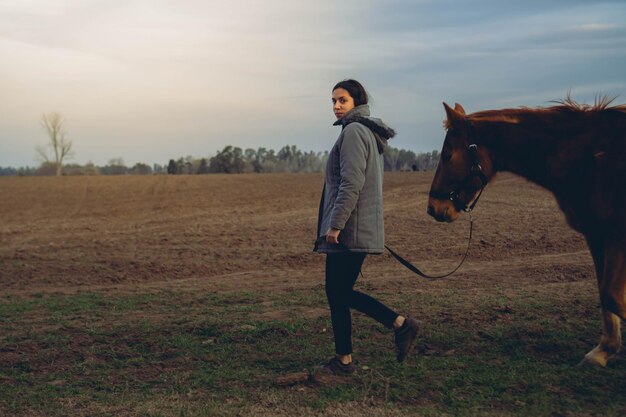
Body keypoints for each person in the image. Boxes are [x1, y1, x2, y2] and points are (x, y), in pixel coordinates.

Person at [314, 79, 419, 375]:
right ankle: (352, 354)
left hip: (348, 229)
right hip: (355, 227)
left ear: (356, 102)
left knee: (337, 292)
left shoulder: (354, 131)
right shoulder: (363, 132)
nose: (336, 106)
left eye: (342, 100)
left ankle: (396, 325)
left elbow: (351, 183)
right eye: (333, 101)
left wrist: (334, 226)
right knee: (339, 292)